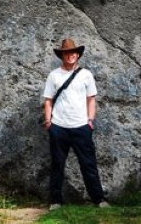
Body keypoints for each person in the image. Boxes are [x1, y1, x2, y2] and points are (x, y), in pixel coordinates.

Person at [42, 38, 109, 210]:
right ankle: (55, 201)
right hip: (59, 126)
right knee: (57, 164)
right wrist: (49, 122)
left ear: (78, 55)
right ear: (62, 55)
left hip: (81, 127)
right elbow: (48, 100)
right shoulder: (54, 75)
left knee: (89, 164)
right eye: (66, 53)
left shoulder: (86, 75)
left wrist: (90, 121)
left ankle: (99, 199)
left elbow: (91, 99)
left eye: (73, 52)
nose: (70, 55)